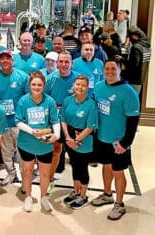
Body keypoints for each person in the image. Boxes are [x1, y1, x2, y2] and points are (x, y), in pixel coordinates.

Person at [92, 59, 140, 220]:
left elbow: (133, 121)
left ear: (120, 70)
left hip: (118, 142)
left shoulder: (128, 92)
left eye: (114, 68)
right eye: (107, 68)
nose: (110, 71)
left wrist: (125, 143)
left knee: (118, 171)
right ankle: (107, 194)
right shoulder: (98, 87)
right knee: (106, 166)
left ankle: (119, 204)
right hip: (102, 138)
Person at [15, 71, 60, 212]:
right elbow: (18, 121)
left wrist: (56, 135)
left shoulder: (50, 101)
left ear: (44, 86)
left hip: (44, 145)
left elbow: (55, 121)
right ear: (29, 85)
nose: (36, 87)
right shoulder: (23, 101)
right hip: (26, 143)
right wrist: (31, 131)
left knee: (45, 174)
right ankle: (28, 197)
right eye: (33, 84)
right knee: (27, 171)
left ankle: (44, 197)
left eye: (39, 84)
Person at [0, 50, 29, 187]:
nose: (5, 61)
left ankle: (25, 178)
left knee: (22, 152)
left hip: (19, 122)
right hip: (3, 122)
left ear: (12, 61)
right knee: (6, 151)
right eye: (2, 59)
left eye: (8, 58)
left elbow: (28, 99)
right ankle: (11, 174)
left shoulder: (22, 76)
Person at [45, 51, 80, 193]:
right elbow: (45, 100)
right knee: (56, 150)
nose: (64, 65)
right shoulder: (51, 79)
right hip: (56, 120)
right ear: (57, 63)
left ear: (72, 63)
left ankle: (79, 187)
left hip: (74, 120)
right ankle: (50, 179)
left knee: (76, 155)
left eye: (67, 62)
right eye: (61, 61)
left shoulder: (78, 79)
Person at [61, 75, 98, 209]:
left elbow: (90, 127)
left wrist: (76, 141)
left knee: (82, 169)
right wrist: (68, 138)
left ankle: (83, 195)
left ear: (88, 88)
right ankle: (75, 191)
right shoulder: (68, 100)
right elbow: (63, 120)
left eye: (83, 85)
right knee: (74, 166)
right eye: (77, 84)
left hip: (84, 142)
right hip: (69, 139)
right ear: (73, 85)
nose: (80, 87)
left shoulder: (91, 104)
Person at [119, 26, 151, 95]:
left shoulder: (136, 47)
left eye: (129, 37)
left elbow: (133, 65)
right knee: (134, 100)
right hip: (140, 78)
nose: (129, 40)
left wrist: (122, 60)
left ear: (134, 36)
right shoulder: (147, 46)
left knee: (129, 100)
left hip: (133, 79)